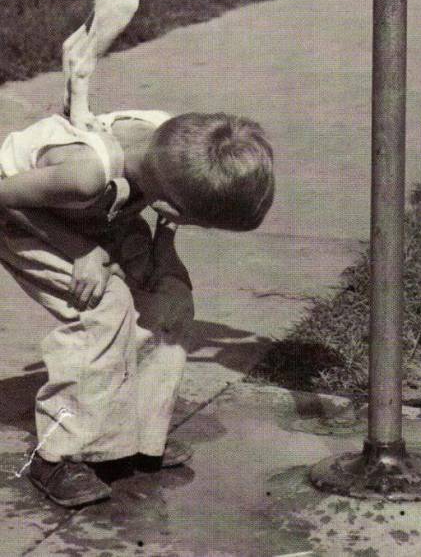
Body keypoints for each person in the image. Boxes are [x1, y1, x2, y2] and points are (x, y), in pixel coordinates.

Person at [0, 108, 274, 508]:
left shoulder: (177, 150)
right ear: (170, 206)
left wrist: (165, 257)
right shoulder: (83, 174)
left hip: (102, 215)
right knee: (104, 310)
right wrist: (83, 250)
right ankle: (56, 455)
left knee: (171, 298)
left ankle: (138, 438)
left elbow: (164, 217)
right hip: (26, 218)